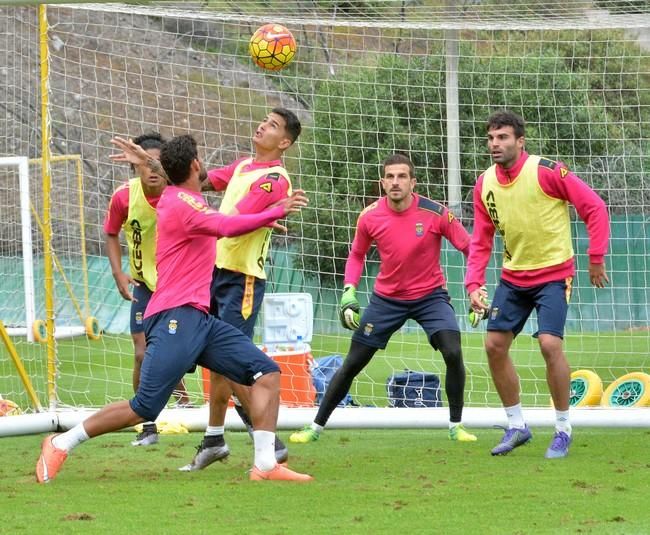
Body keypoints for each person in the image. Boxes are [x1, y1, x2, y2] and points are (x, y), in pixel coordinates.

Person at [36, 134, 313, 483]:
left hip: (198, 318)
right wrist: (275, 209)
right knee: (144, 408)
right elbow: (225, 226)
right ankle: (61, 442)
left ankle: (265, 465)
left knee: (267, 373)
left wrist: (145, 160)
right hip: (174, 316)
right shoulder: (184, 204)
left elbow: (175, 182)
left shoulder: (175, 195)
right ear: (196, 165)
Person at [289, 153, 477, 444]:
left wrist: (474, 287)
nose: (395, 182)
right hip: (387, 300)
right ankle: (315, 427)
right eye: (390, 177)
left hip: (431, 297)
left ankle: (456, 426)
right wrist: (348, 291)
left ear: (413, 182)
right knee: (352, 363)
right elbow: (356, 255)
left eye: (402, 176)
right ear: (382, 182)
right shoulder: (370, 215)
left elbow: (469, 247)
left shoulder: (435, 212)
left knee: (453, 352)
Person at [465, 110, 610, 459]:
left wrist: (596, 257)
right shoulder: (484, 184)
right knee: (494, 345)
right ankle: (517, 426)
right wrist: (473, 283)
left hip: (554, 274)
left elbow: (593, 206)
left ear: (520, 141)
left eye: (502, 137)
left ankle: (562, 429)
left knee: (549, 344)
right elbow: (481, 239)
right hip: (513, 278)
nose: (495, 144)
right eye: (490, 138)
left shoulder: (546, 171)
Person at [179, 108, 301, 471]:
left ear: (284, 143)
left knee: (231, 362)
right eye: (265, 119)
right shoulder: (243, 166)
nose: (263, 125)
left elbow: (232, 222)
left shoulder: (275, 179)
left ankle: (268, 441)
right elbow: (198, 181)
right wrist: (159, 166)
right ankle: (215, 440)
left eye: (273, 125)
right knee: (217, 362)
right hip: (215, 272)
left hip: (242, 278)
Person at [103, 132, 191, 447]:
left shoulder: (180, 195)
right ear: (135, 165)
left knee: (176, 353)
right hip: (145, 287)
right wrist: (118, 272)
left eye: (158, 162)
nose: (152, 169)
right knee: (142, 354)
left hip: (179, 288)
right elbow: (111, 233)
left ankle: (195, 409)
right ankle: (148, 426)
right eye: (145, 162)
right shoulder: (124, 198)